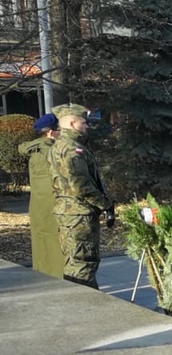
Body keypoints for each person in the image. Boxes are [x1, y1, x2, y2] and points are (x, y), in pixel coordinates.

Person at [48, 104, 113, 289]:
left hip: (70, 214)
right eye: (84, 123)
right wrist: (105, 204)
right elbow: (80, 186)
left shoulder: (61, 146)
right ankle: (85, 309)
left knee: (75, 262)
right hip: (78, 216)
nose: (87, 127)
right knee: (83, 264)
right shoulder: (71, 149)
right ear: (71, 122)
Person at [19, 113, 64, 278]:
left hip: (38, 206)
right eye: (60, 130)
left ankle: (43, 276)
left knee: (41, 246)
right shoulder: (53, 151)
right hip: (53, 206)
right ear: (51, 132)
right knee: (56, 249)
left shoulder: (35, 149)